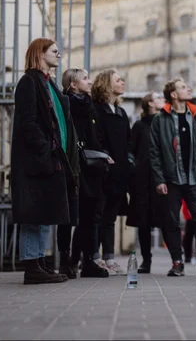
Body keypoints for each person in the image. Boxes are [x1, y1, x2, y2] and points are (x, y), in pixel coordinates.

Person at [11, 38, 78, 284]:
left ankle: (40, 263)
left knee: (44, 212)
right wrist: (44, 147)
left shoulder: (49, 84)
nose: (59, 55)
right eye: (54, 51)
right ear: (40, 53)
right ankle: (32, 266)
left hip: (50, 159)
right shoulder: (29, 82)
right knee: (33, 213)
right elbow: (27, 122)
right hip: (35, 160)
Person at [151, 78, 196, 278]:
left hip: (194, 179)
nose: (188, 89)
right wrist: (159, 179)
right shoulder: (160, 119)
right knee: (171, 221)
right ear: (173, 94)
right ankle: (177, 262)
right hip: (171, 180)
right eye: (183, 87)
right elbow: (154, 152)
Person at [60, 68, 111, 279]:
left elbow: (96, 136)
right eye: (85, 78)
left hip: (92, 166)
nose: (89, 82)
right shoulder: (66, 105)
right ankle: (65, 261)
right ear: (73, 84)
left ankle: (86, 260)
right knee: (69, 215)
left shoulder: (89, 106)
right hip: (73, 165)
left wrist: (102, 155)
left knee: (90, 215)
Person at [92, 69, 133, 276]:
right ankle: (94, 257)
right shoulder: (97, 110)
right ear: (106, 84)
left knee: (110, 218)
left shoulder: (121, 113)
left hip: (119, 173)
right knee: (97, 216)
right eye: (118, 80)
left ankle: (109, 257)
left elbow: (127, 143)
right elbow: (96, 139)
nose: (122, 82)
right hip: (102, 171)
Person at [126, 92, 166, 274]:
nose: (163, 100)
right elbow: (131, 151)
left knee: (167, 219)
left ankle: (176, 259)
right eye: (158, 98)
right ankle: (146, 261)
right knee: (143, 221)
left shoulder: (167, 123)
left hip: (163, 178)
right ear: (150, 103)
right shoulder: (140, 126)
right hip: (142, 179)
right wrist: (133, 173)